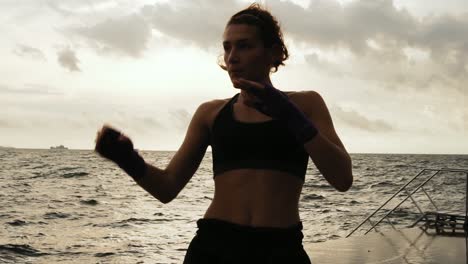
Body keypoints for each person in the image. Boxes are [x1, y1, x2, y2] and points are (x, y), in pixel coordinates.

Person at [95, 3, 353, 263]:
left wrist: (291, 117)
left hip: (280, 249)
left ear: (273, 52)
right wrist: (128, 159)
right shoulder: (211, 113)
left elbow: (343, 178)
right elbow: (167, 187)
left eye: (244, 45)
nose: (232, 57)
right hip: (214, 247)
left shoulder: (306, 104)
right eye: (227, 47)